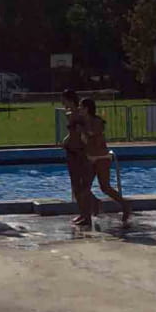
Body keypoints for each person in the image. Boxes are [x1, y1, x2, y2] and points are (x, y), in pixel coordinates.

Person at [80, 98, 130, 226]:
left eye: (81, 107)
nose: (80, 110)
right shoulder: (83, 122)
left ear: (87, 109)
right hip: (91, 157)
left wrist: (81, 128)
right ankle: (95, 203)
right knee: (83, 187)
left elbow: (92, 134)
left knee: (105, 187)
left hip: (101, 157)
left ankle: (125, 206)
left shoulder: (96, 121)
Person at [59, 89, 97, 226]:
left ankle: (87, 214)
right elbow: (72, 133)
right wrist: (66, 140)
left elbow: (83, 133)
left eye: (63, 100)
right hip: (71, 151)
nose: (62, 103)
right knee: (75, 186)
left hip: (79, 152)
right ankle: (83, 213)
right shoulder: (70, 114)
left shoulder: (79, 115)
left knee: (81, 187)